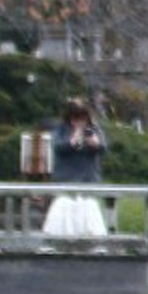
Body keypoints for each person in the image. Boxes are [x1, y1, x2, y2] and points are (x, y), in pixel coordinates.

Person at [42, 101, 112, 239]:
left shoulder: (94, 130)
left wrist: (94, 143)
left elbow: (103, 147)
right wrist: (72, 141)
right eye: (75, 117)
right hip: (66, 182)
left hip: (87, 182)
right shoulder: (60, 131)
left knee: (89, 215)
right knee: (62, 214)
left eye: (82, 118)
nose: (79, 122)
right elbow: (58, 147)